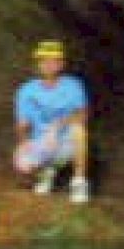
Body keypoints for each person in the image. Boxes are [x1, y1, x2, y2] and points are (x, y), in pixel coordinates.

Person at [13, 40, 91, 203]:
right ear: (37, 65)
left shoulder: (73, 85)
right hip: (42, 141)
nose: (48, 65)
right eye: (43, 61)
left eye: (53, 61)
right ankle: (46, 172)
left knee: (79, 130)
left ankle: (79, 182)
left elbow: (83, 115)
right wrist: (23, 143)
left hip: (66, 139)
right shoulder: (27, 89)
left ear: (61, 64)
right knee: (23, 165)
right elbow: (22, 123)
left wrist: (57, 126)